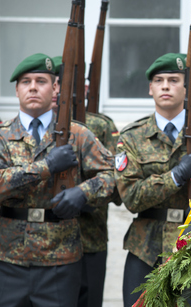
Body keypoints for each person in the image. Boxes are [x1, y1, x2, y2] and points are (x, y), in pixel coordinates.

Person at [0, 53, 117, 307]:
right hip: (6, 257)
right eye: (25, 82)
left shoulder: (78, 134)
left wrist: (84, 192)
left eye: (41, 81)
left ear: (55, 88)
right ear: (17, 90)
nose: (32, 87)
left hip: (60, 258)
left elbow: (111, 178)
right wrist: (47, 166)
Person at [115, 53, 191, 307]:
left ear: (186, 88)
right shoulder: (132, 136)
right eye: (158, 80)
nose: (165, 86)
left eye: (173, 79)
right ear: (150, 88)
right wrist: (177, 174)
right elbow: (132, 197)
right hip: (146, 250)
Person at [51, 55, 120, 307]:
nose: (59, 90)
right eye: (55, 83)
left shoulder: (99, 125)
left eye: (65, 83)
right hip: (45, 243)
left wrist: (85, 194)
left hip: (89, 237)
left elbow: (117, 180)